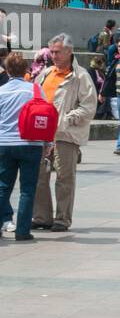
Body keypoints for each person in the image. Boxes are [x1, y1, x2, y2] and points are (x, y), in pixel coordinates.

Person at [33, 34, 96, 232]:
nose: (53, 55)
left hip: (64, 135)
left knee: (64, 178)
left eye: (57, 52)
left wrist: (68, 118)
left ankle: (62, 219)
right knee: (39, 177)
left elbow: (89, 106)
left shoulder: (80, 76)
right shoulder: (46, 72)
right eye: (51, 51)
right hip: (42, 134)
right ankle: (42, 217)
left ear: (69, 51)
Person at [0, 51, 45, 241]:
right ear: (26, 69)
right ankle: (23, 231)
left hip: (4, 144)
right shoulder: (35, 90)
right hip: (30, 144)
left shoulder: (1, 91)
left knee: (2, 187)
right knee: (27, 189)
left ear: (7, 70)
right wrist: (47, 142)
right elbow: (44, 117)